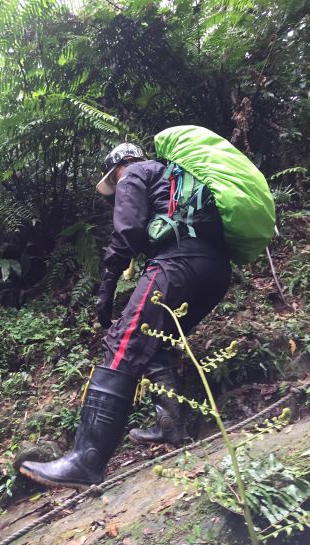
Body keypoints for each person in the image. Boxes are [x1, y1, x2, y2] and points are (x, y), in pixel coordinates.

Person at [20, 142, 232, 489]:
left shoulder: (134, 172)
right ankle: (173, 426)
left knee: (123, 343)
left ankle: (86, 460)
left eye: (113, 183)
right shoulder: (173, 176)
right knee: (153, 344)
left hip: (177, 265)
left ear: (118, 169)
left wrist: (107, 285)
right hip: (215, 270)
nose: (115, 190)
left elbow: (129, 230)